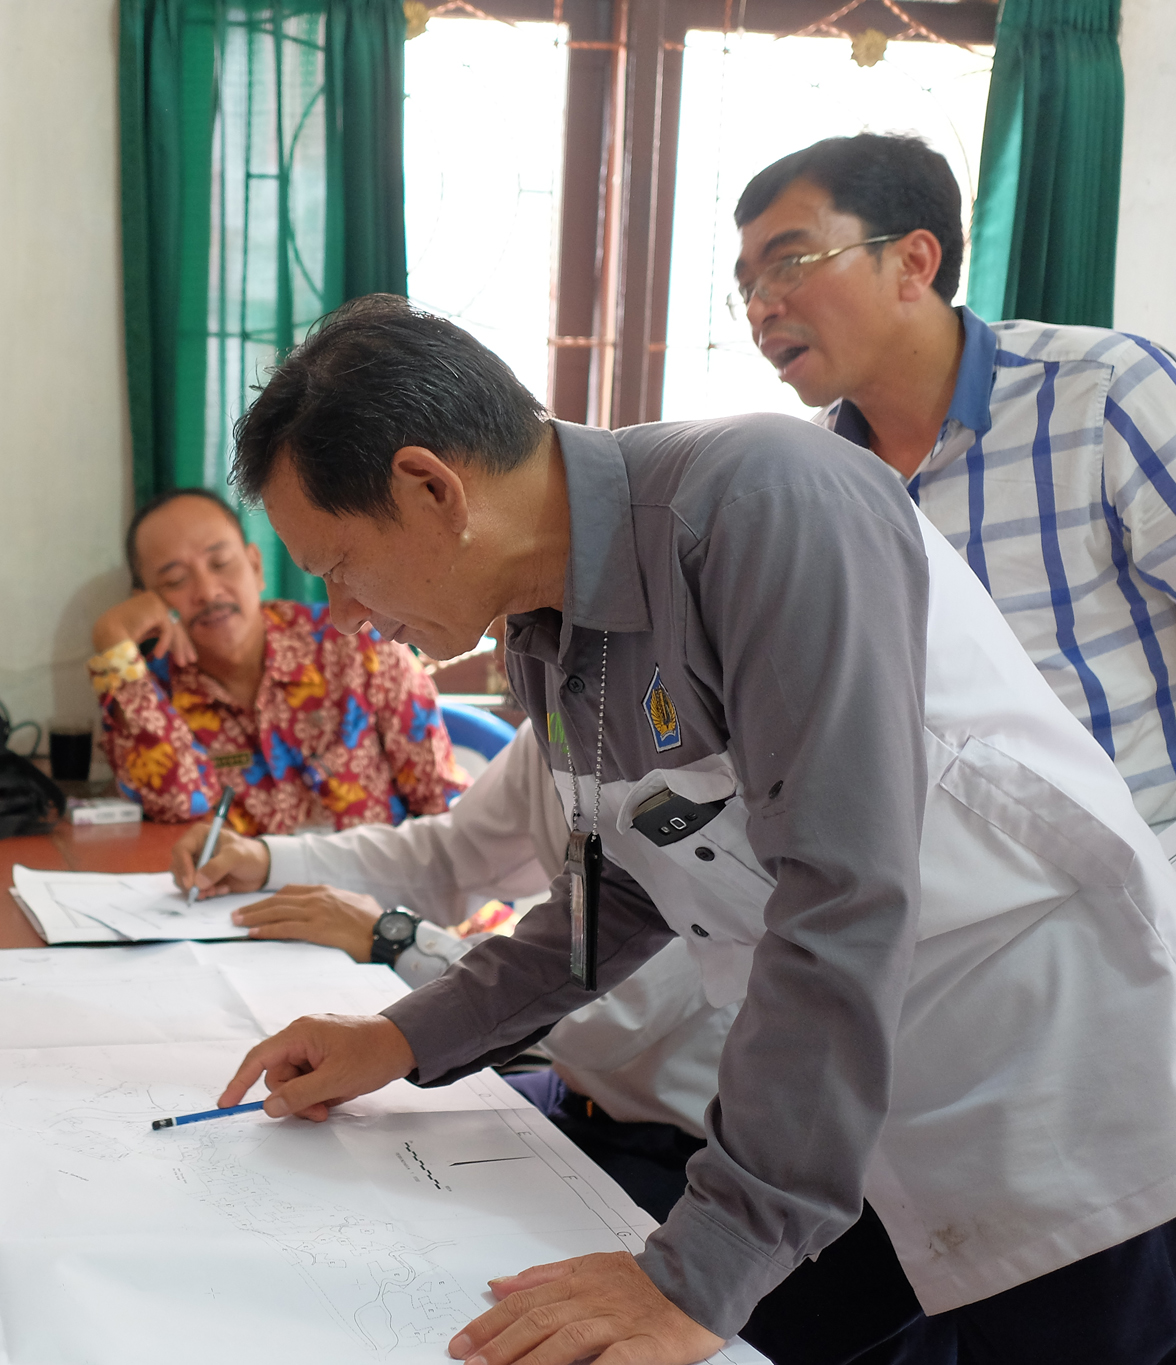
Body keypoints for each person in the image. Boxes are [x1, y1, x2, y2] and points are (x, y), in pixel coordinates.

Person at [213, 295, 1176, 1364]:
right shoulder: (544, 635)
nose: (344, 614)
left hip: (1053, 1086)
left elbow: (841, 892)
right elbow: (615, 899)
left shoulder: (764, 502)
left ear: (429, 487)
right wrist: (397, 1039)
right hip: (850, 1106)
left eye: (339, 566)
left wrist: (694, 1271)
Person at [735, 133, 1176, 840]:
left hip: (1146, 893)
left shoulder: (1104, 394)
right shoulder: (814, 482)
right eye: (748, 287)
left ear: (913, 260)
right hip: (943, 913)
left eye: (790, 263)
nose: (760, 309)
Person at [176, 722, 733, 1221]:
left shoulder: (699, 753)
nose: (351, 617)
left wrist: (396, 941)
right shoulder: (562, 714)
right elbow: (453, 853)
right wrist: (272, 861)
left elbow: (606, 1019)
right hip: (573, 1098)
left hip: (685, 1152)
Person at [90, 487, 466, 834]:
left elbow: (444, 808)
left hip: (385, 896)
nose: (207, 591)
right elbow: (180, 804)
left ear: (256, 567)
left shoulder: (356, 648)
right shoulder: (146, 694)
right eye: (175, 581)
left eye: (220, 563)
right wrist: (112, 639)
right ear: (146, 603)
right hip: (242, 905)